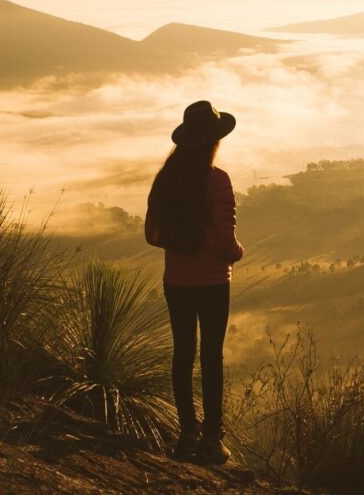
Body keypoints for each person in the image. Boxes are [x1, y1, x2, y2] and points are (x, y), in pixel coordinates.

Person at [145, 100, 244, 464]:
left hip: (177, 283)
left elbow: (152, 234)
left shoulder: (166, 180)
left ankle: (186, 434)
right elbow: (225, 244)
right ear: (213, 141)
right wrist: (238, 253)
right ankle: (212, 439)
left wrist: (181, 245)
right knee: (211, 357)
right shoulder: (217, 181)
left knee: (182, 355)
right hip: (214, 284)